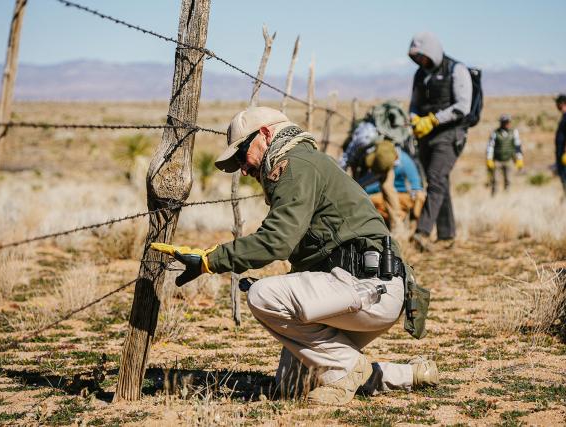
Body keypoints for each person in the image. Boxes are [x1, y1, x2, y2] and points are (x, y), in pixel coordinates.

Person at [151, 107, 437, 405]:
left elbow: (277, 241)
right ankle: (407, 374)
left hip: (368, 288)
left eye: (241, 156)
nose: (243, 170)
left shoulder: (294, 165)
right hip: (368, 288)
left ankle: (348, 368)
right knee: (291, 383)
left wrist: (211, 260)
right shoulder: (304, 162)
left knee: (262, 295)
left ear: (264, 135)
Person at [407, 32, 472, 252]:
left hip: (450, 134)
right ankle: (447, 236)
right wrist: (415, 118)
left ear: (432, 52)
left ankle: (422, 232)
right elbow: (414, 104)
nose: (420, 61)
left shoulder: (457, 70)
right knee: (439, 182)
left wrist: (434, 120)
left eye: (422, 55)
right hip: (426, 135)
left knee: (435, 179)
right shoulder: (420, 74)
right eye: (415, 57)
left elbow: (463, 106)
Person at [340, 121, 403, 230]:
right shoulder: (362, 141)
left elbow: (396, 161)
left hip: (385, 161)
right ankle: (358, 223)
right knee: (357, 189)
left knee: (388, 188)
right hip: (360, 160)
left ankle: (397, 225)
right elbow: (347, 158)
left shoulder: (392, 149)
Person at [363, 147, 426, 227]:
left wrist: (365, 190)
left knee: (371, 200)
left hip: (407, 196)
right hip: (401, 195)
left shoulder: (402, 164)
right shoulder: (394, 158)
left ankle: (399, 217)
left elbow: (416, 189)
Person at [486, 114, 524, 195]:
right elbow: (490, 147)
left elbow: (517, 146)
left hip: (509, 160)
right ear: (501, 123)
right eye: (505, 122)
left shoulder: (514, 132)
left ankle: (507, 196)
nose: (507, 124)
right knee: (495, 180)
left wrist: (519, 159)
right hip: (497, 160)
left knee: (509, 180)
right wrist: (489, 159)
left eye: (508, 122)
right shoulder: (495, 133)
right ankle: (494, 196)